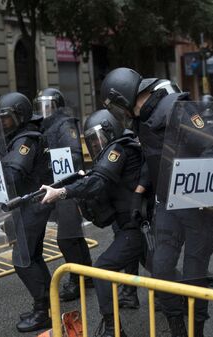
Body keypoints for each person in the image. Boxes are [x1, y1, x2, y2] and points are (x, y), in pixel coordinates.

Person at [101, 68, 213, 337]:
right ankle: (177, 327)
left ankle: (196, 330)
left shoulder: (177, 108)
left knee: (193, 275)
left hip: (197, 206)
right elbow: (151, 157)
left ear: (127, 97)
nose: (120, 113)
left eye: (117, 105)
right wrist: (140, 190)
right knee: (162, 269)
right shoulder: (142, 119)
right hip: (167, 204)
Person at [41, 108, 144, 337]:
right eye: (91, 142)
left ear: (110, 131)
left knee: (102, 269)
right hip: (134, 225)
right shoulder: (119, 148)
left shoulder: (118, 148)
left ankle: (113, 329)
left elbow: (98, 182)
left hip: (140, 227)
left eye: (98, 139)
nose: (96, 146)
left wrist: (62, 192)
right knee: (164, 274)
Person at [0, 92, 54, 332]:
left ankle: (43, 313)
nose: (2, 123)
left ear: (20, 116)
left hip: (34, 203)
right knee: (34, 256)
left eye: (6, 118)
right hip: (30, 203)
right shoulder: (19, 136)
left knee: (23, 259)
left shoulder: (26, 140)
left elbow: (14, 173)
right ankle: (47, 306)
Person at [33, 87, 94, 302]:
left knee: (66, 239)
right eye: (40, 105)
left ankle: (76, 282)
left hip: (66, 187)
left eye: (48, 106)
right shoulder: (44, 126)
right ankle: (87, 276)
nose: (44, 110)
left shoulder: (65, 124)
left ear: (57, 107)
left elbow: (74, 156)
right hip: (55, 186)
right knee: (75, 235)